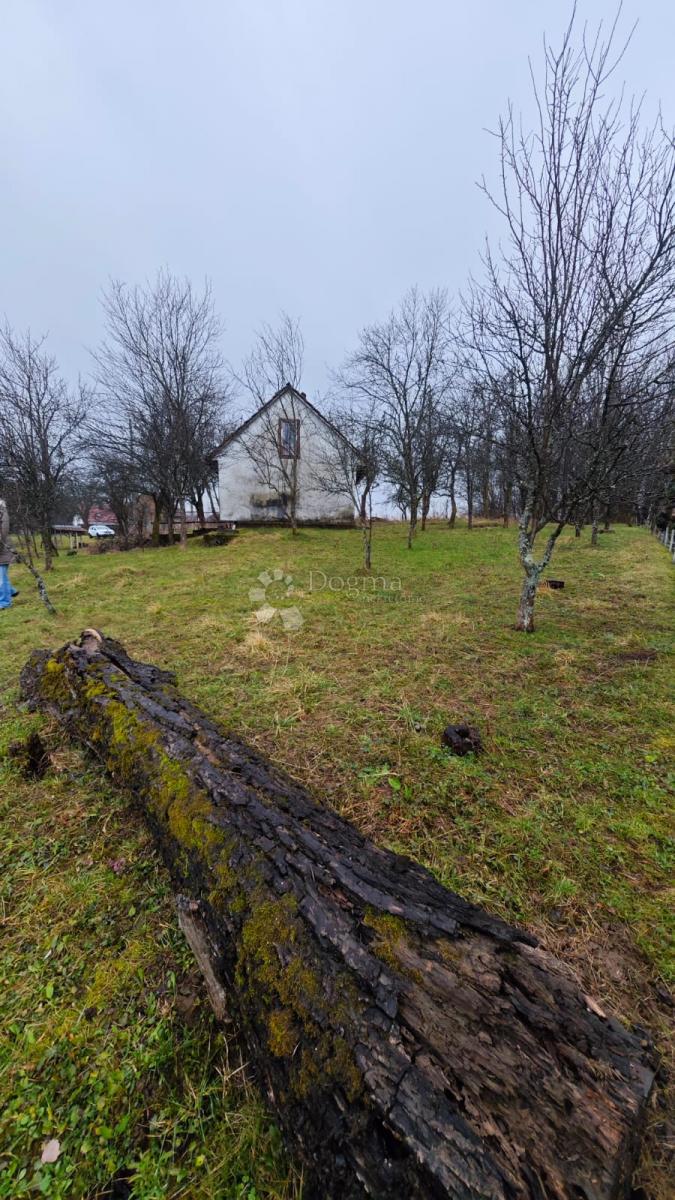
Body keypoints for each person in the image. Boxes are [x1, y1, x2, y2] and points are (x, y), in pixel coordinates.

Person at [0, 497, 17, 609]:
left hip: (2, 549)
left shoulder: (1, 510)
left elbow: (3, 531)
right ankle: (11, 590)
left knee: (1, 578)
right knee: (2, 576)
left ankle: (5, 603)